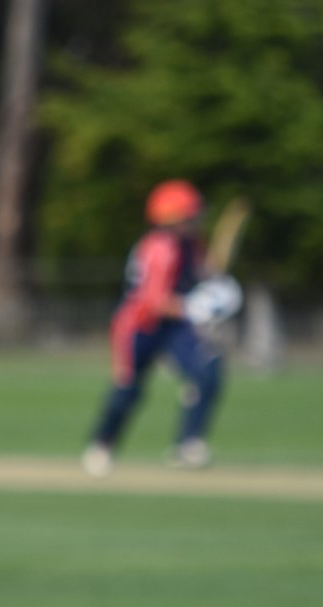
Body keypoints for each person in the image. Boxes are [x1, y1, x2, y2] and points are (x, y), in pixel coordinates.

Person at [82, 179, 225, 477]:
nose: (196, 219)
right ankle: (101, 445)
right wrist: (194, 307)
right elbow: (153, 300)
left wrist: (215, 290)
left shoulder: (192, 244)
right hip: (139, 326)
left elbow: (199, 277)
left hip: (175, 326)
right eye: (190, 214)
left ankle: (189, 444)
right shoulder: (159, 247)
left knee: (207, 370)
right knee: (128, 391)